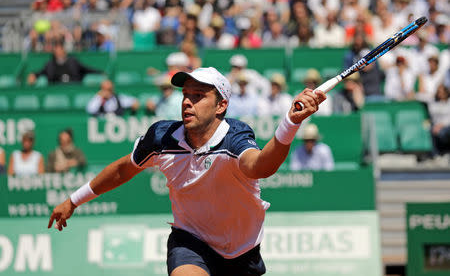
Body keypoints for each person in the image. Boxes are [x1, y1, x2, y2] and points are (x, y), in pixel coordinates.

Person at [48, 66, 326, 276]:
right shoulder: (161, 137)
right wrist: (74, 200)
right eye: (185, 95)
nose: (187, 102)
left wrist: (290, 122)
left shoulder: (235, 137)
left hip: (244, 251)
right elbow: (123, 170)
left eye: (198, 96)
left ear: (221, 105)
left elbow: (259, 167)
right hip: (190, 242)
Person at [27, 40, 101, 85]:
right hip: (55, 91)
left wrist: (100, 72)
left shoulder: (73, 62)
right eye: (56, 51)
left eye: (60, 50)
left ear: (64, 51)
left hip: (72, 88)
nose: (58, 52)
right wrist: (34, 75)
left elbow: (86, 69)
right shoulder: (50, 64)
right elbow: (41, 72)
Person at [428, 84, 450, 155]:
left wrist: (441, 125)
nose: (440, 94)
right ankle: (435, 155)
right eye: (438, 92)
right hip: (436, 126)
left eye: (442, 92)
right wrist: (436, 126)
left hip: (447, 126)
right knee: (429, 130)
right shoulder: (433, 103)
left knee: (444, 133)